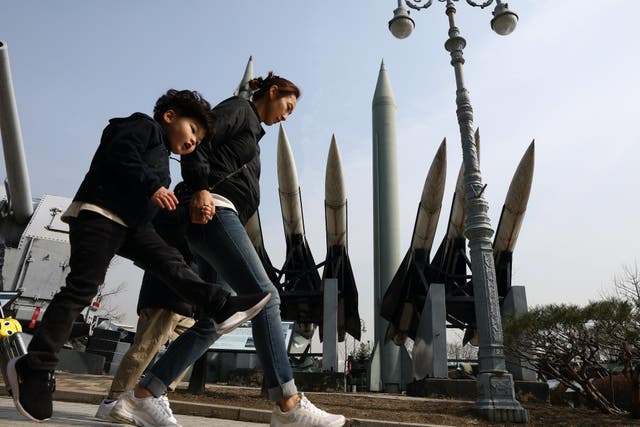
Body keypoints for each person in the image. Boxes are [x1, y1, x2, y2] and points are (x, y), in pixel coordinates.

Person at [6, 89, 272, 423]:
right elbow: (120, 154)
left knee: (171, 264)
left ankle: (220, 305)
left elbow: (159, 212)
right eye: (194, 131)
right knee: (82, 289)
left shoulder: (164, 158)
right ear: (170, 116)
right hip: (101, 212)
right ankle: (34, 366)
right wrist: (152, 186)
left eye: (201, 138)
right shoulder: (141, 126)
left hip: (133, 223)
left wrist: (186, 211)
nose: (195, 142)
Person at [111, 73, 346, 427]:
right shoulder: (240, 109)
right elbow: (197, 142)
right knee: (265, 297)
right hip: (215, 210)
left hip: (220, 215)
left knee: (216, 318)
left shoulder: (254, 130)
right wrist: (202, 189)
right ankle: (288, 403)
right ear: (271, 92)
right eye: (287, 106)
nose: (286, 115)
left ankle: (144, 394)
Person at [95, 207, 198, 423]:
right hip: (164, 290)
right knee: (146, 347)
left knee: (188, 349)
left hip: (190, 295)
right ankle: (113, 402)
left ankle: (154, 393)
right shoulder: (173, 213)